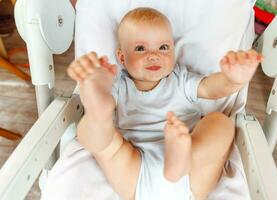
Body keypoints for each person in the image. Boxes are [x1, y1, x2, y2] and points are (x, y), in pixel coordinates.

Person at [67, 7, 262, 200]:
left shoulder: (180, 79)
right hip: (134, 162)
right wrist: (100, 97)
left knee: (220, 122)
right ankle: (96, 111)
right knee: (103, 137)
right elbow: (109, 104)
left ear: (174, 51)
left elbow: (210, 88)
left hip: (190, 167)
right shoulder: (120, 85)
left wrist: (232, 80)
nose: (154, 55)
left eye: (163, 47)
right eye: (140, 48)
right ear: (122, 58)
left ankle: (181, 160)